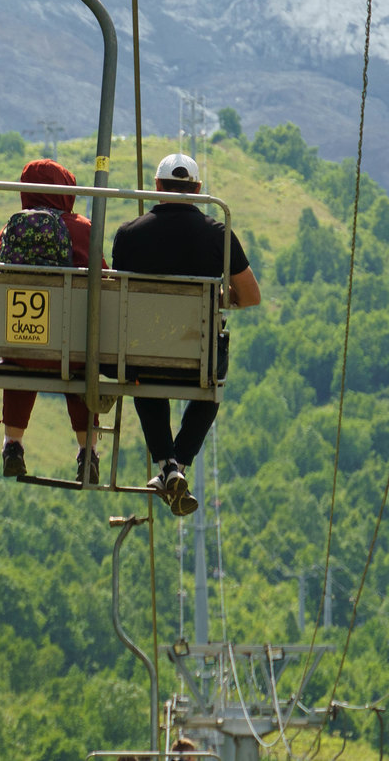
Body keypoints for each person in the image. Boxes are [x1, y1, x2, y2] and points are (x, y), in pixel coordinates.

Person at [110, 151, 262, 516]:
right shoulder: (218, 234)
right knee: (214, 383)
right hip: (198, 359)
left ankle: (167, 466)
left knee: (141, 371)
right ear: (196, 189)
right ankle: (179, 463)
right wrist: (218, 300)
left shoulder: (128, 235)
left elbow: (118, 297)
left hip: (144, 355)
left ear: (158, 187)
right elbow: (251, 296)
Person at [0, 157, 103, 484]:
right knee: (80, 370)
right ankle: (87, 453)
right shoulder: (83, 230)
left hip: (21, 342)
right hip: (73, 349)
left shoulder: (11, 230)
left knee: (21, 359)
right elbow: (105, 276)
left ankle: (13, 445)